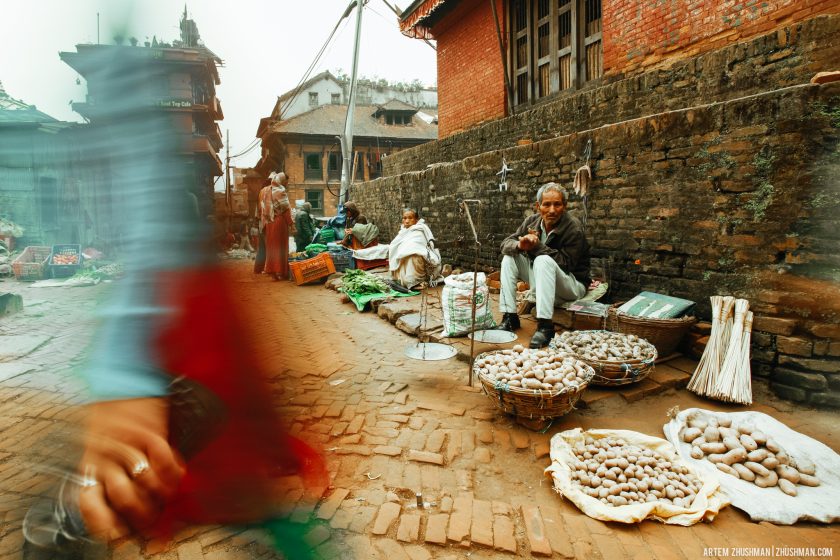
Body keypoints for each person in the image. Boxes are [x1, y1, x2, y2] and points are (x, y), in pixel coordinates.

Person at [498, 182, 591, 349]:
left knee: (542, 259)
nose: (552, 210)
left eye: (557, 204)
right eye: (546, 204)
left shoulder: (573, 228)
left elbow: (566, 264)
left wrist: (537, 247)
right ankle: (510, 317)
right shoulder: (531, 222)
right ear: (538, 206)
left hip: (571, 285)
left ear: (565, 206)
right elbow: (505, 243)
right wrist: (520, 246)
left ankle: (545, 326)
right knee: (509, 257)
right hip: (542, 281)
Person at [384, 208, 442, 288]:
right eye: (404, 218)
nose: (407, 221)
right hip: (403, 258)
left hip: (421, 258)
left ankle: (417, 281)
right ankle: (402, 279)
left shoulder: (419, 230)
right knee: (404, 256)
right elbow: (395, 246)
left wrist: (406, 252)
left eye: (410, 218)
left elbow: (416, 246)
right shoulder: (403, 232)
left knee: (413, 256)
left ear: (416, 219)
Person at [255, 172, 295, 280]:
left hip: (268, 222)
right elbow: (285, 209)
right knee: (281, 248)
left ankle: (272, 273)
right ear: (282, 180)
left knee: (271, 248)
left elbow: (260, 209)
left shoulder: (264, 191)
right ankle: (281, 272)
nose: (286, 184)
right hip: (279, 222)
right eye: (286, 182)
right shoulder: (280, 191)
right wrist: (291, 224)